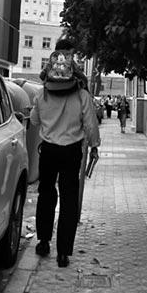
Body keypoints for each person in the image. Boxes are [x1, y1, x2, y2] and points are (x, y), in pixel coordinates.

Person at [31, 38, 100, 268]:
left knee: (46, 195)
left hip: (48, 151)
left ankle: (42, 242)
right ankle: (63, 253)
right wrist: (95, 147)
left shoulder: (42, 95)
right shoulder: (81, 95)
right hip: (72, 152)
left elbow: (34, 120)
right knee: (69, 200)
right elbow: (90, 125)